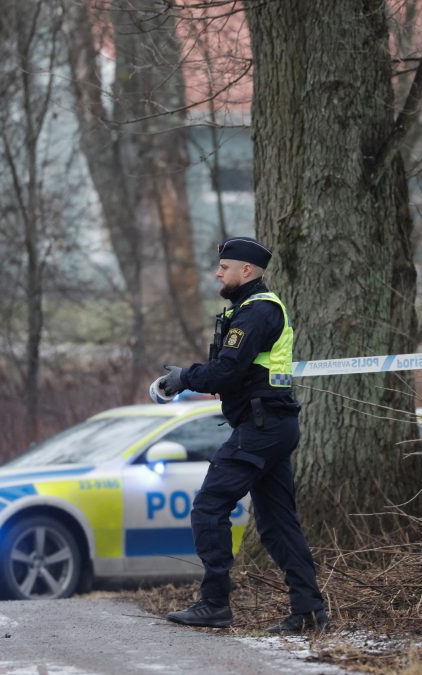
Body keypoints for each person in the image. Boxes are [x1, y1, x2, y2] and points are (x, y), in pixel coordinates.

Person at [157, 236, 330, 634]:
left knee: (208, 506)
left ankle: (215, 604)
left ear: (246, 271)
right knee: (277, 524)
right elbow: (236, 372)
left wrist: (184, 377)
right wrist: (195, 376)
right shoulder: (250, 310)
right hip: (269, 424)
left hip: (262, 426)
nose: (218, 272)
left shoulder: (257, 312)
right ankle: (309, 612)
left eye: (224, 267)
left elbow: (227, 370)